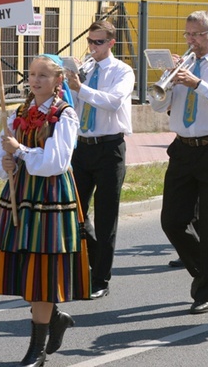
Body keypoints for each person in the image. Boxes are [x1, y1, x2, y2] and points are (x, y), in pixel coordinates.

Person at [0, 55, 90, 366]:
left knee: (43, 274)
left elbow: (56, 162)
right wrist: (6, 162)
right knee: (26, 270)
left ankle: (37, 350)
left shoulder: (65, 115)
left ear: (59, 81)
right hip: (21, 195)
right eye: (32, 74)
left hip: (50, 197)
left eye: (44, 75)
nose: (35, 80)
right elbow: (0, 160)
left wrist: (20, 151)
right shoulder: (17, 113)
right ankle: (55, 317)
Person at [150, 10, 208, 314]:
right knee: (172, 221)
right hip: (183, 148)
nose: (191, 41)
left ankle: (205, 291)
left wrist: (197, 83)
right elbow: (158, 105)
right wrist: (167, 82)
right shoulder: (182, 68)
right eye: (187, 35)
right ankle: (205, 270)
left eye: (196, 35)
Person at [67, 20, 134, 300]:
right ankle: (91, 263)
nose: (92, 47)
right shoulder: (87, 69)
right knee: (76, 212)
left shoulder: (123, 71)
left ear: (110, 43)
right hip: (82, 147)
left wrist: (80, 88)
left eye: (98, 42)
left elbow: (112, 102)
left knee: (107, 217)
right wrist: (68, 86)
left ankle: (101, 279)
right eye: (90, 42)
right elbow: (74, 104)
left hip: (110, 148)